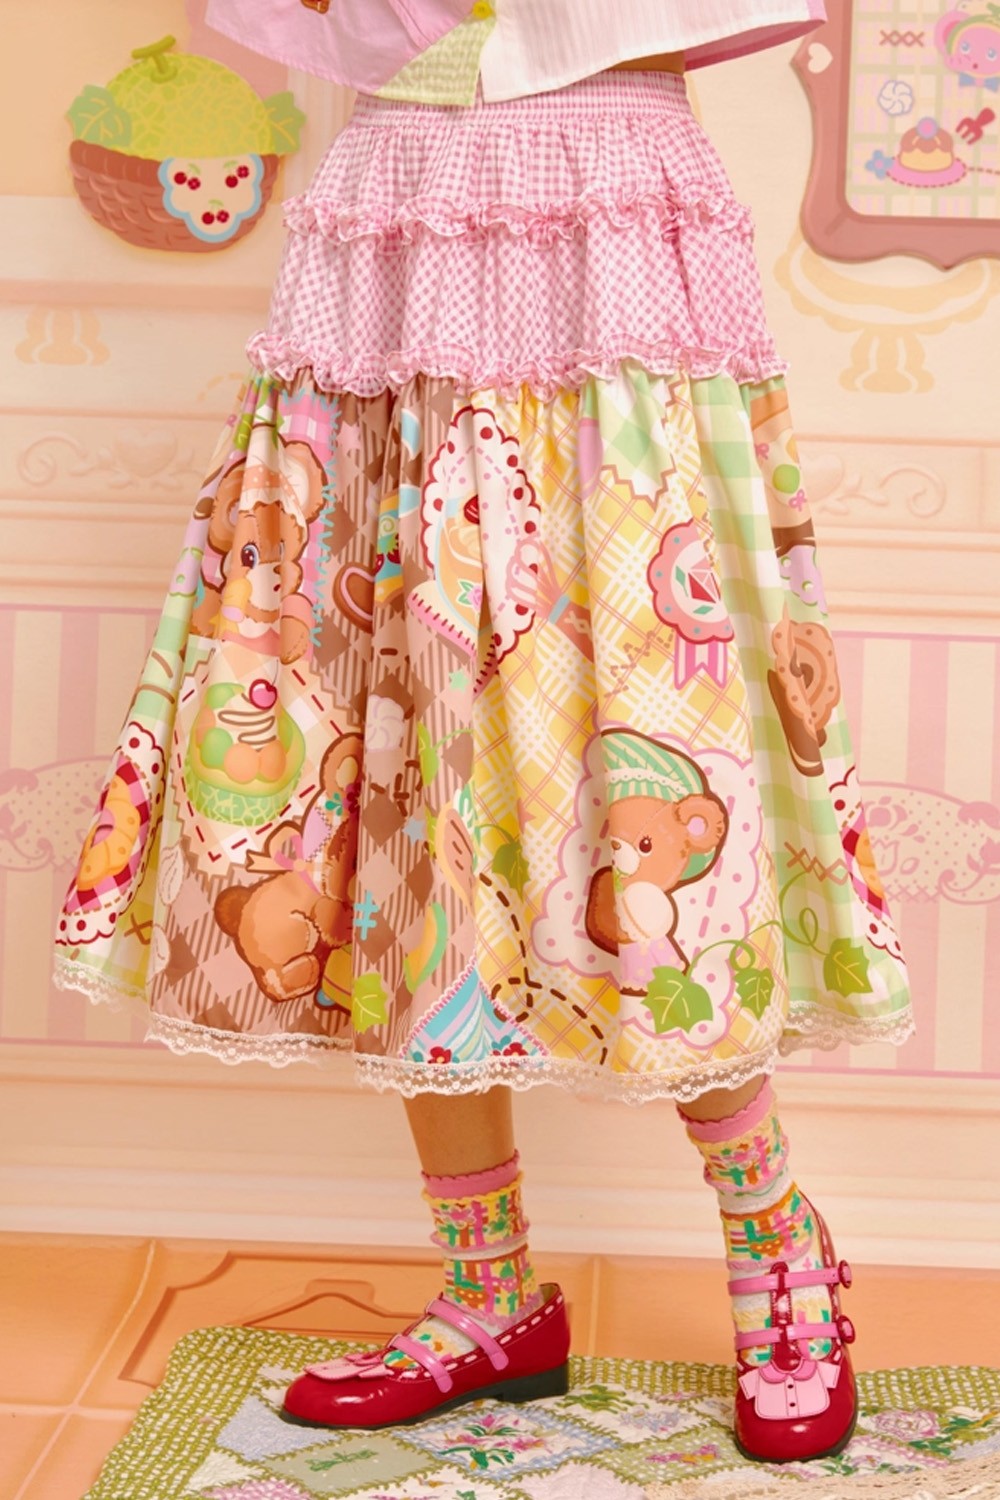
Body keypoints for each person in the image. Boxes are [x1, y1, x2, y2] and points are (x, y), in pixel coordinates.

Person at [52, 0, 913, 1465]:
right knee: (408, 764)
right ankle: (489, 1295)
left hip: (601, 180)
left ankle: (778, 1245)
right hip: (402, 175)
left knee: (649, 742)